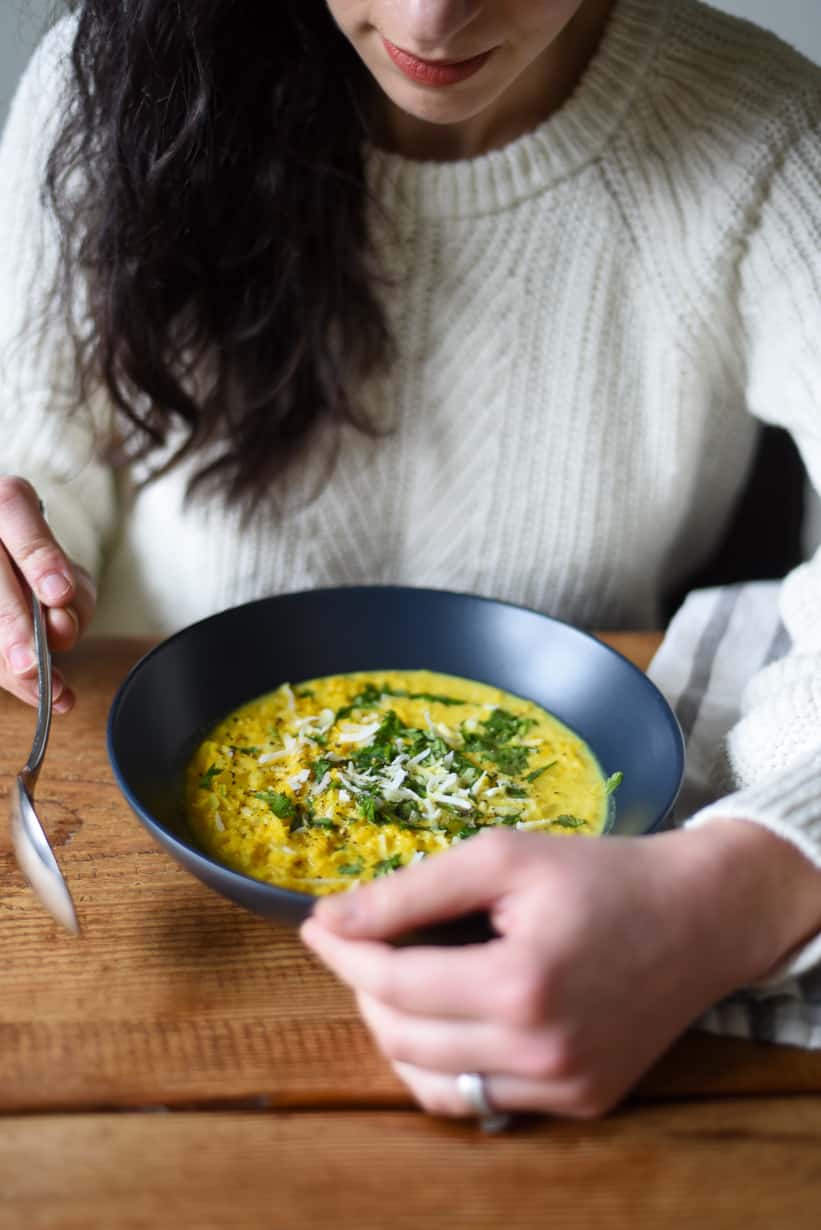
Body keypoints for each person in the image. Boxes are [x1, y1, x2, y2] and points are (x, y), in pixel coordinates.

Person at [2, 0, 821, 1122]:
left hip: (591, 897)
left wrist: (745, 886)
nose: (434, 17)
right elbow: (34, 450)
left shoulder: (767, 139)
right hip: (151, 876)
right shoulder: (105, 77)